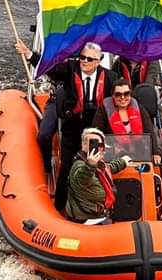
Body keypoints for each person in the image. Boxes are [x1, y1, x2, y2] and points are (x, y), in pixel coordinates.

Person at [14, 40, 116, 211]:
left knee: (98, 167)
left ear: (98, 61)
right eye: (82, 57)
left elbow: (119, 99)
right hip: (73, 127)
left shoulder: (110, 78)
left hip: (96, 128)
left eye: (89, 59)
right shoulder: (70, 70)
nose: (84, 61)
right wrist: (29, 54)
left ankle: (102, 205)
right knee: (67, 168)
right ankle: (59, 208)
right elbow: (50, 69)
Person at [65, 128, 132, 224]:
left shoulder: (99, 165)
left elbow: (108, 168)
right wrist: (89, 165)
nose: (96, 147)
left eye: (99, 145)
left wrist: (123, 161)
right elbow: (82, 178)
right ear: (83, 146)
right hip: (87, 219)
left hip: (100, 215)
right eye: (92, 143)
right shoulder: (79, 165)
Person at [92, 80, 162, 165]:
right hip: (113, 157)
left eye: (126, 94)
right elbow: (96, 133)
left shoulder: (139, 108)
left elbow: (150, 131)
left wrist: (155, 153)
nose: (122, 97)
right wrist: (96, 155)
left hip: (139, 154)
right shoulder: (103, 111)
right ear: (113, 96)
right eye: (118, 94)